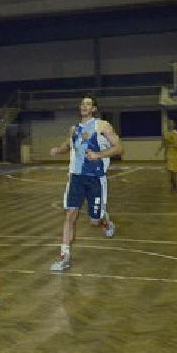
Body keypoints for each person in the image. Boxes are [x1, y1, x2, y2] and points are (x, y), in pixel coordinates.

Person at [47, 95, 123, 272]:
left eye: (88, 104)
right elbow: (68, 144)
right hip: (76, 178)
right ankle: (64, 257)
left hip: (95, 178)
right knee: (70, 215)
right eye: (82, 103)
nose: (84, 106)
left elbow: (119, 148)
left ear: (94, 109)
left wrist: (98, 155)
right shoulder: (74, 129)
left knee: (94, 220)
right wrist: (58, 150)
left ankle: (105, 222)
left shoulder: (102, 126)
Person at [155, 118, 177, 192]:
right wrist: (160, 151)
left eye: (171, 123)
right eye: (169, 123)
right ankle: (174, 185)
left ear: (174, 124)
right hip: (170, 154)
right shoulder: (165, 134)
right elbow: (164, 144)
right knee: (171, 170)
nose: (170, 124)